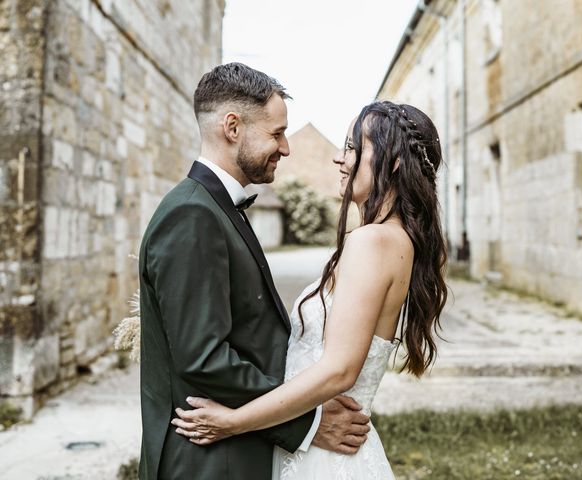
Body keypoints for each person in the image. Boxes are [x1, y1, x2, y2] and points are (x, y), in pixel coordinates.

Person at [172, 100, 449, 479]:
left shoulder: (374, 242)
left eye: (352, 147)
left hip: (326, 462)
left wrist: (234, 422)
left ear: (395, 161)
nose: (339, 158)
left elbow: (339, 370)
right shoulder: (394, 239)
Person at [137, 63, 370, 480]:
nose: (286, 147)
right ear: (233, 127)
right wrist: (308, 422)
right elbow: (204, 358)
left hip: (237, 452)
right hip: (209, 463)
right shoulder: (192, 215)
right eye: (276, 133)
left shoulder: (219, 209)